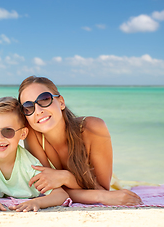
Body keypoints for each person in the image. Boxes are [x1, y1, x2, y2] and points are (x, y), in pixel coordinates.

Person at [18, 76, 143, 206]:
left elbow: (102, 189)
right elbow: (52, 191)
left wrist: (66, 178)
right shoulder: (33, 135)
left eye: (44, 99)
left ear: (61, 102)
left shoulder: (93, 128)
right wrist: (100, 196)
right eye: (28, 107)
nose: (38, 111)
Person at [0, 97, 70, 212]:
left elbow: (61, 194)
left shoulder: (30, 164)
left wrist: (37, 202)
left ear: (23, 134)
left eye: (8, 131)